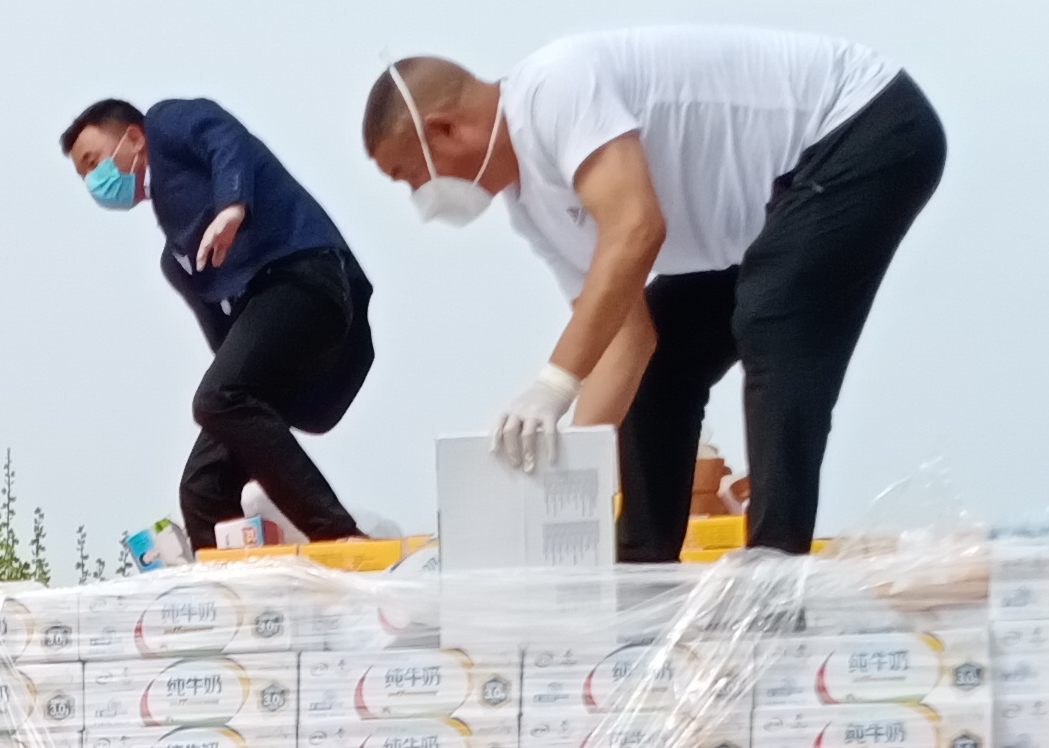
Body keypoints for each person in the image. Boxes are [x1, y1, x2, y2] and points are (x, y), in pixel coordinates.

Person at [361, 30, 944, 562]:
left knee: (774, 315)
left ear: (445, 130)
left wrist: (553, 385)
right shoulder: (531, 211)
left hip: (861, 123)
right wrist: (561, 475)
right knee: (663, 360)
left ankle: (773, 566)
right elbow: (627, 339)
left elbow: (637, 229)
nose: (420, 198)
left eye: (409, 174)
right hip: (773, 208)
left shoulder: (552, 90)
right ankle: (642, 566)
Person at [60, 94, 376, 547]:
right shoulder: (178, 260)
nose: (94, 181)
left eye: (93, 162)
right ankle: (229, 583)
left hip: (306, 281)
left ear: (133, 138)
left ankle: (340, 535)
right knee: (202, 485)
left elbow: (223, 136)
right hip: (279, 335)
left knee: (217, 397)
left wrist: (232, 206)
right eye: (84, 176)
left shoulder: (165, 124)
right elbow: (226, 345)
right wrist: (240, 410)